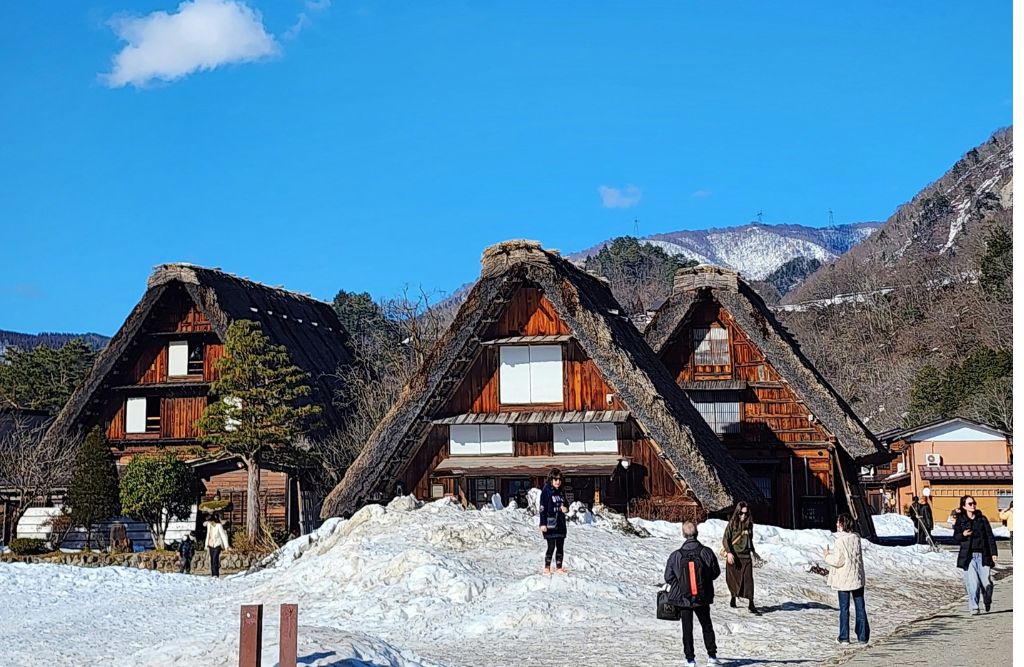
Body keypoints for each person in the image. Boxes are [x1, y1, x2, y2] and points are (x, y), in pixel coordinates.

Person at [665, 521, 721, 667]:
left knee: (687, 629)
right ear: (697, 533)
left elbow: (668, 577)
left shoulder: (675, 555)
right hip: (702, 597)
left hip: (684, 599)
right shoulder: (706, 552)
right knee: (706, 625)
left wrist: (682, 585)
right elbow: (716, 572)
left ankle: (690, 659)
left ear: (683, 534)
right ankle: (712, 656)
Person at [823, 513, 869, 644]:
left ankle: (844, 637)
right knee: (860, 607)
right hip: (857, 577)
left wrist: (826, 556)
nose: (837, 525)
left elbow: (839, 561)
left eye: (838, 522)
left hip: (843, 579)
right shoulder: (856, 537)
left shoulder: (840, 540)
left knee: (844, 609)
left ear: (843, 524)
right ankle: (862, 636)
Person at [952, 495, 997, 614]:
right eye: (970, 504)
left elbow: (990, 536)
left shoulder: (982, 519)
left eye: (974, 503)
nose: (973, 506)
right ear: (964, 506)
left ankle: (987, 599)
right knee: (973, 582)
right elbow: (956, 537)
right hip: (968, 556)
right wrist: (963, 535)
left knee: (986, 582)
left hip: (983, 555)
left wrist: (993, 553)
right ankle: (974, 606)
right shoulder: (961, 520)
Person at [722, 501, 761, 615]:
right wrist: (729, 553)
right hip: (734, 556)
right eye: (741, 513)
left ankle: (751, 603)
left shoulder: (749, 525)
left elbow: (750, 539)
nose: (743, 516)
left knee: (748, 580)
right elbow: (725, 539)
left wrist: (753, 551)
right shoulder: (732, 524)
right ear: (737, 513)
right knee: (733, 579)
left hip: (745, 556)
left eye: (745, 513)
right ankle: (733, 596)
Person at [538, 468, 569, 575]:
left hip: (560, 523)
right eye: (555, 479)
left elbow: (566, 504)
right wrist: (542, 523)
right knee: (551, 546)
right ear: (551, 480)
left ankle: (559, 567)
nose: (557, 482)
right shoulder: (546, 491)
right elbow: (542, 508)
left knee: (560, 546)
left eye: (559, 480)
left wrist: (565, 508)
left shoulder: (561, 491)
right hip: (550, 522)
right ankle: (547, 567)